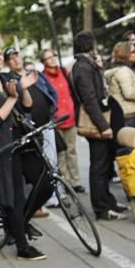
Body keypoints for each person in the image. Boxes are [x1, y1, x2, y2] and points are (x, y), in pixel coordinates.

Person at [0, 41, 47, 260]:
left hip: (21, 140)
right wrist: (12, 98)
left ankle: (20, 223)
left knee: (45, 181)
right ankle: (22, 245)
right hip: (1, 146)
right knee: (13, 197)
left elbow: (27, 107)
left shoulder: (6, 79)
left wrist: (23, 91)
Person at [71, 31, 127, 221]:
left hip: (101, 118)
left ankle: (108, 201)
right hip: (97, 121)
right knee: (99, 165)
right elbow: (90, 100)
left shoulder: (87, 65)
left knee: (103, 164)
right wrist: (104, 126)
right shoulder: (82, 67)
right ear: (90, 46)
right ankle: (102, 208)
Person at [5, 50, 58, 212]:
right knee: (36, 166)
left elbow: (51, 91)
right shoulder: (9, 79)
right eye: (11, 59)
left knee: (52, 161)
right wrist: (22, 87)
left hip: (46, 123)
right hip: (29, 128)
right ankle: (36, 201)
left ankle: (55, 195)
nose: (15, 60)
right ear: (8, 63)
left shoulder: (34, 73)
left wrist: (52, 109)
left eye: (17, 56)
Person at [41, 49, 83, 192]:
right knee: (61, 152)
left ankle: (76, 181)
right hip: (57, 119)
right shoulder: (43, 77)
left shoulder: (64, 72)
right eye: (48, 58)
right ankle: (66, 182)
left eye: (53, 56)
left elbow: (72, 91)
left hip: (70, 116)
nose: (52, 59)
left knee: (71, 150)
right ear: (44, 61)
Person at [105, 41, 135, 137]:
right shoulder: (123, 71)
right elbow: (129, 93)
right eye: (133, 51)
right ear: (125, 55)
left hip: (131, 115)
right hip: (129, 116)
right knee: (133, 149)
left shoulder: (129, 69)